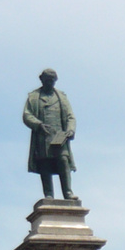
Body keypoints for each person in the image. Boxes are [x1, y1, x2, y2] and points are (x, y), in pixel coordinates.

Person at [23, 67, 77, 200]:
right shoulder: (34, 97)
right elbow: (26, 115)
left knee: (63, 161)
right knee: (45, 164)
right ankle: (48, 194)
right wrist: (38, 124)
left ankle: (68, 193)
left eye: (52, 80)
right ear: (42, 80)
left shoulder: (62, 97)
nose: (50, 83)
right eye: (47, 80)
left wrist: (70, 129)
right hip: (43, 137)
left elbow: (70, 116)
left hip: (60, 136)